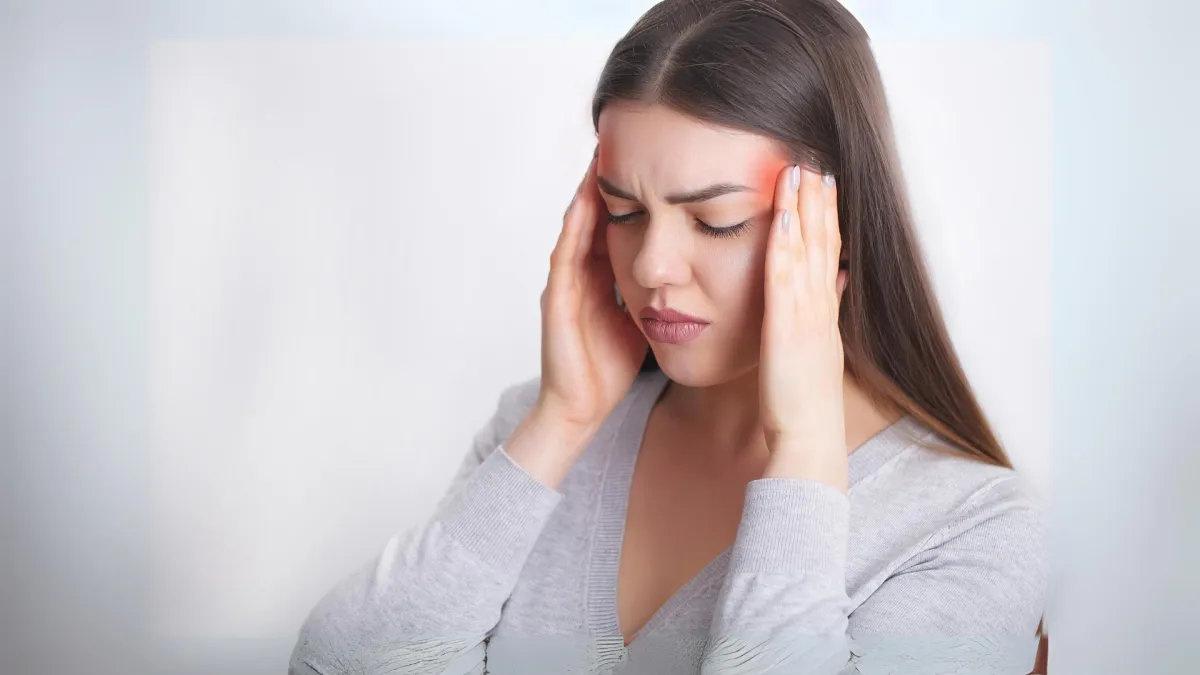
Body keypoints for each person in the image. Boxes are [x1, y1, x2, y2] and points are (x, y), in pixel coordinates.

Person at [288, 0, 1047, 672]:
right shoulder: (533, 432)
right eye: (623, 210)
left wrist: (804, 456)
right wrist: (562, 421)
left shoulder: (971, 526)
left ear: (839, 229)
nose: (650, 264)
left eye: (716, 221)